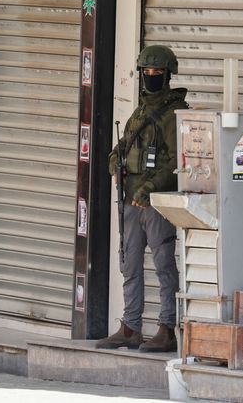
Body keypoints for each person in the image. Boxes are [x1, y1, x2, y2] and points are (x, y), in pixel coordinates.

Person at [97, 45, 189, 353]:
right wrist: (114, 163)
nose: (150, 78)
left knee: (164, 263)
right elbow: (120, 148)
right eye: (146, 73)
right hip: (130, 200)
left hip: (155, 201)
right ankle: (130, 327)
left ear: (167, 74)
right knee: (129, 263)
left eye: (156, 73)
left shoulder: (174, 112)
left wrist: (149, 188)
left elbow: (177, 161)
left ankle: (167, 328)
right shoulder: (140, 111)